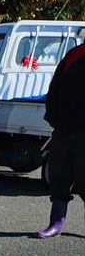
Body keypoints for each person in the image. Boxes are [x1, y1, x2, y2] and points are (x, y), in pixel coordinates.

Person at [36, 38, 85, 239]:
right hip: (64, 126)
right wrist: (53, 115)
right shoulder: (74, 54)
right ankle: (56, 222)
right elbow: (54, 86)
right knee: (59, 174)